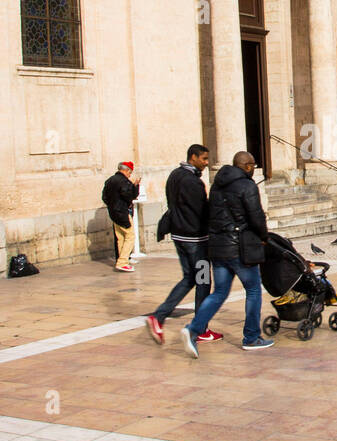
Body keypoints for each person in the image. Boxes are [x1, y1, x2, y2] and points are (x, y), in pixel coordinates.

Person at [179, 151, 273, 357]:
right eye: (253, 166)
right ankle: (251, 337)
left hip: (218, 247)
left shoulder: (217, 184)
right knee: (254, 290)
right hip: (240, 247)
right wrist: (264, 236)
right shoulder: (247, 186)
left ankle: (193, 329)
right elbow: (256, 215)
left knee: (219, 292)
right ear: (247, 166)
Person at [147, 144, 220, 346]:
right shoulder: (193, 182)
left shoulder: (175, 175)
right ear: (193, 157)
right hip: (196, 241)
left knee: (189, 279)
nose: (206, 163)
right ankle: (200, 328)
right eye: (204, 159)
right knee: (203, 282)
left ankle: (159, 317)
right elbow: (201, 212)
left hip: (180, 236)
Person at [102, 161, 141, 272]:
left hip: (113, 212)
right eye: (130, 172)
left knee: (121, 237)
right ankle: (122, 261)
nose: (130, 175)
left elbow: (104, 197)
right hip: (122, 213)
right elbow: (130, 195)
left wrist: (112, 206)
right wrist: (136, 186)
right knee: (130, 236)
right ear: (127, 170)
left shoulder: (110, 180)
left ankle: (122, 260)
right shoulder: (123, 181)